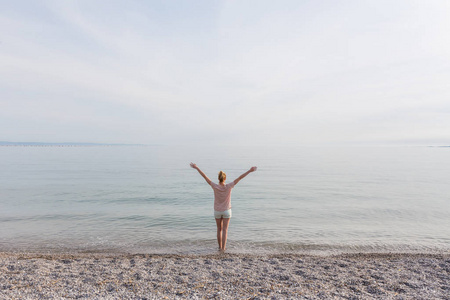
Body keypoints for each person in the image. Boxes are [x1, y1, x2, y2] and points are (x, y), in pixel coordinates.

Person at [190, 162, 257, 252]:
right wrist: (250, 170)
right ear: (225, 178)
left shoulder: (214, 186)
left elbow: (205, 177)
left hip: (217, 211)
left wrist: (196, 167)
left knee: (219, 229)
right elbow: (240, 178)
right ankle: (223, 248)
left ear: (219, 178)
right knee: (225, 230)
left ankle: (219, 247)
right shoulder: (229, 186)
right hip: (226, 211)